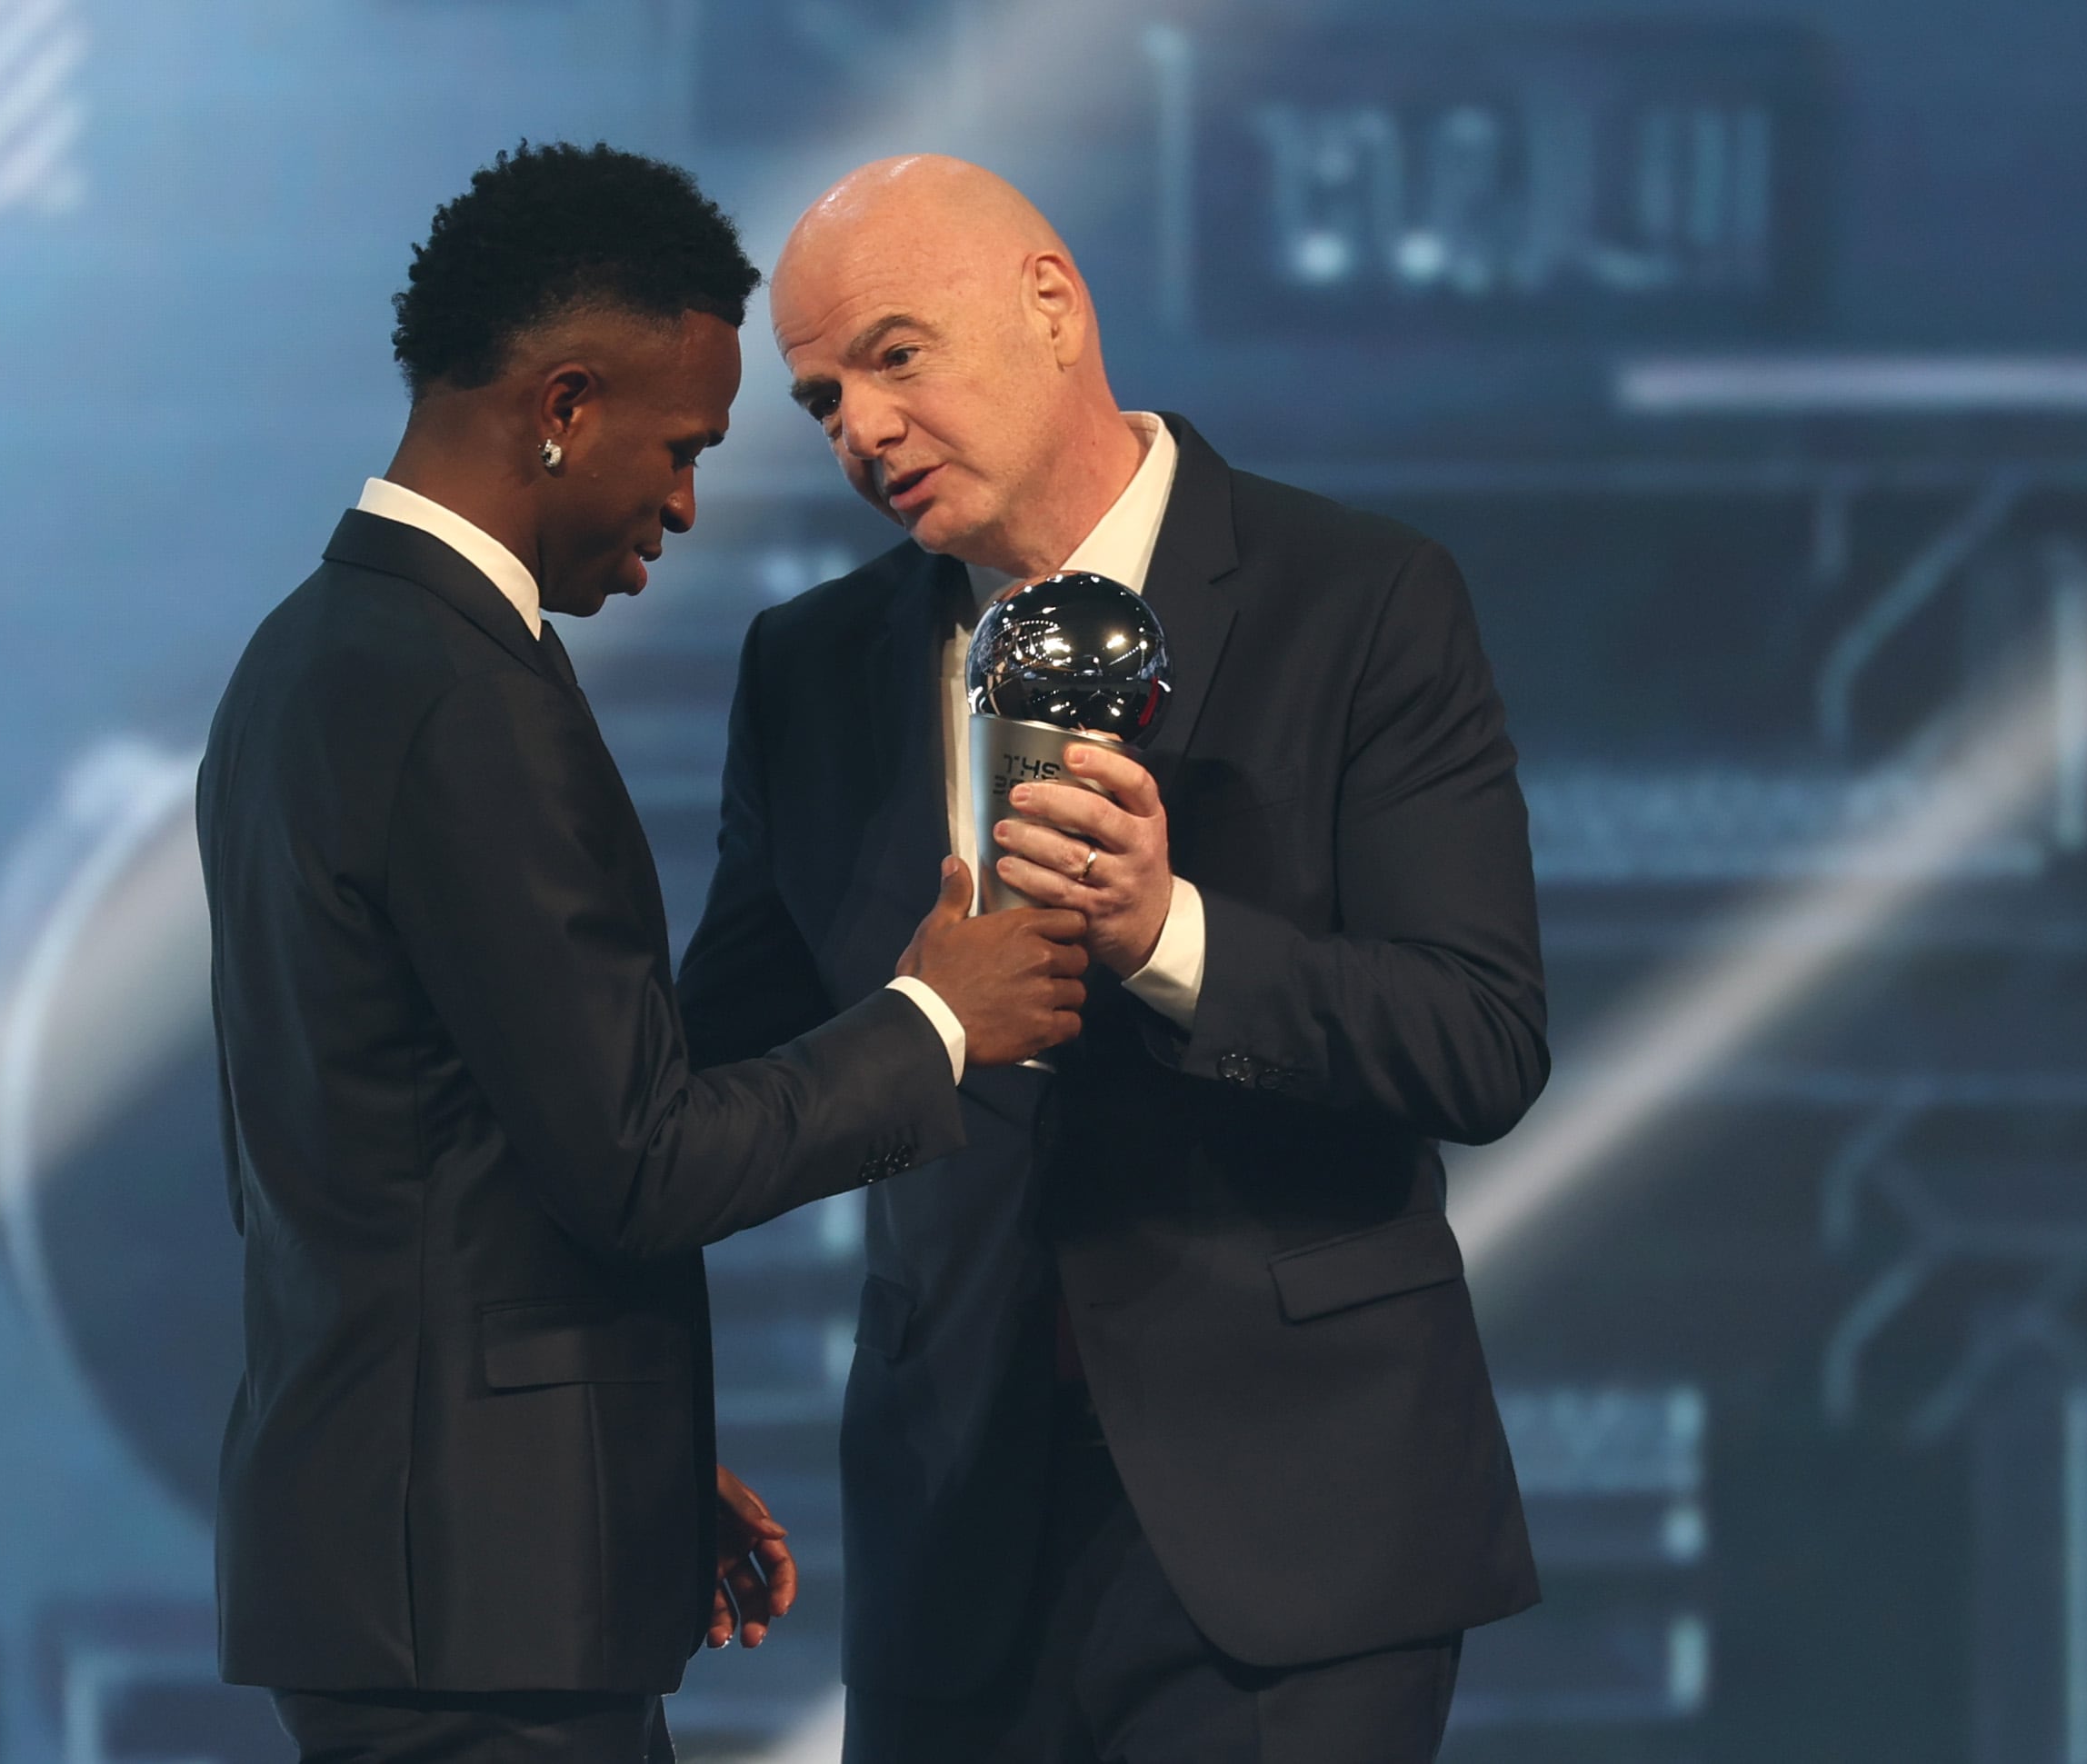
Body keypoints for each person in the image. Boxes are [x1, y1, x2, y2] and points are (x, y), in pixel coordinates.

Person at [195, 143, 1089, 1764]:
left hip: (436, 1566)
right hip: (466, 1608)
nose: (683, 502)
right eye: (679, 448)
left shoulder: (313, 653)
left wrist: (632, 1462)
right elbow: (637, 1157)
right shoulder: (456, 694)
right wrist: (933, 1021)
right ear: (563, 404)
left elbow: (431, 1153)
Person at [677, 155, 1551, 1764]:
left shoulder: (1357, 600)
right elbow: (705, 1086)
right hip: (957, 1538)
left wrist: (1171, 937)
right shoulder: (807, 669)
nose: (857, 428)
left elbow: (1479, 1037)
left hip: (1294, 1540)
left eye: (891, 354)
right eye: (816, 401)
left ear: (1051, 306)